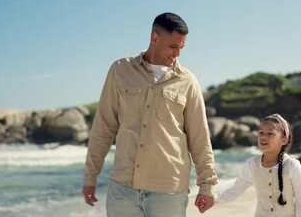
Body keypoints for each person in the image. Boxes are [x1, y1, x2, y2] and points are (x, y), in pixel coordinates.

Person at [82, 12, 218, 217]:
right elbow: (103, 127)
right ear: (155, 38)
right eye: (173, 46)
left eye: (182, 47)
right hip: (123, 188)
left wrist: (206, 186)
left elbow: (200, 138)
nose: (178, 53)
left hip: (169, 191)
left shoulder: (188, 81)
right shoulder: (120, 70)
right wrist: (91, 175)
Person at [200, 113, 301, 216]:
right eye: (261, 132)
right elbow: (235, 190)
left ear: (284, 140)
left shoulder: (292, 166)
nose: (263, 137)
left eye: (270, 133)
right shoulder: (252, 164)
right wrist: (213, 199)